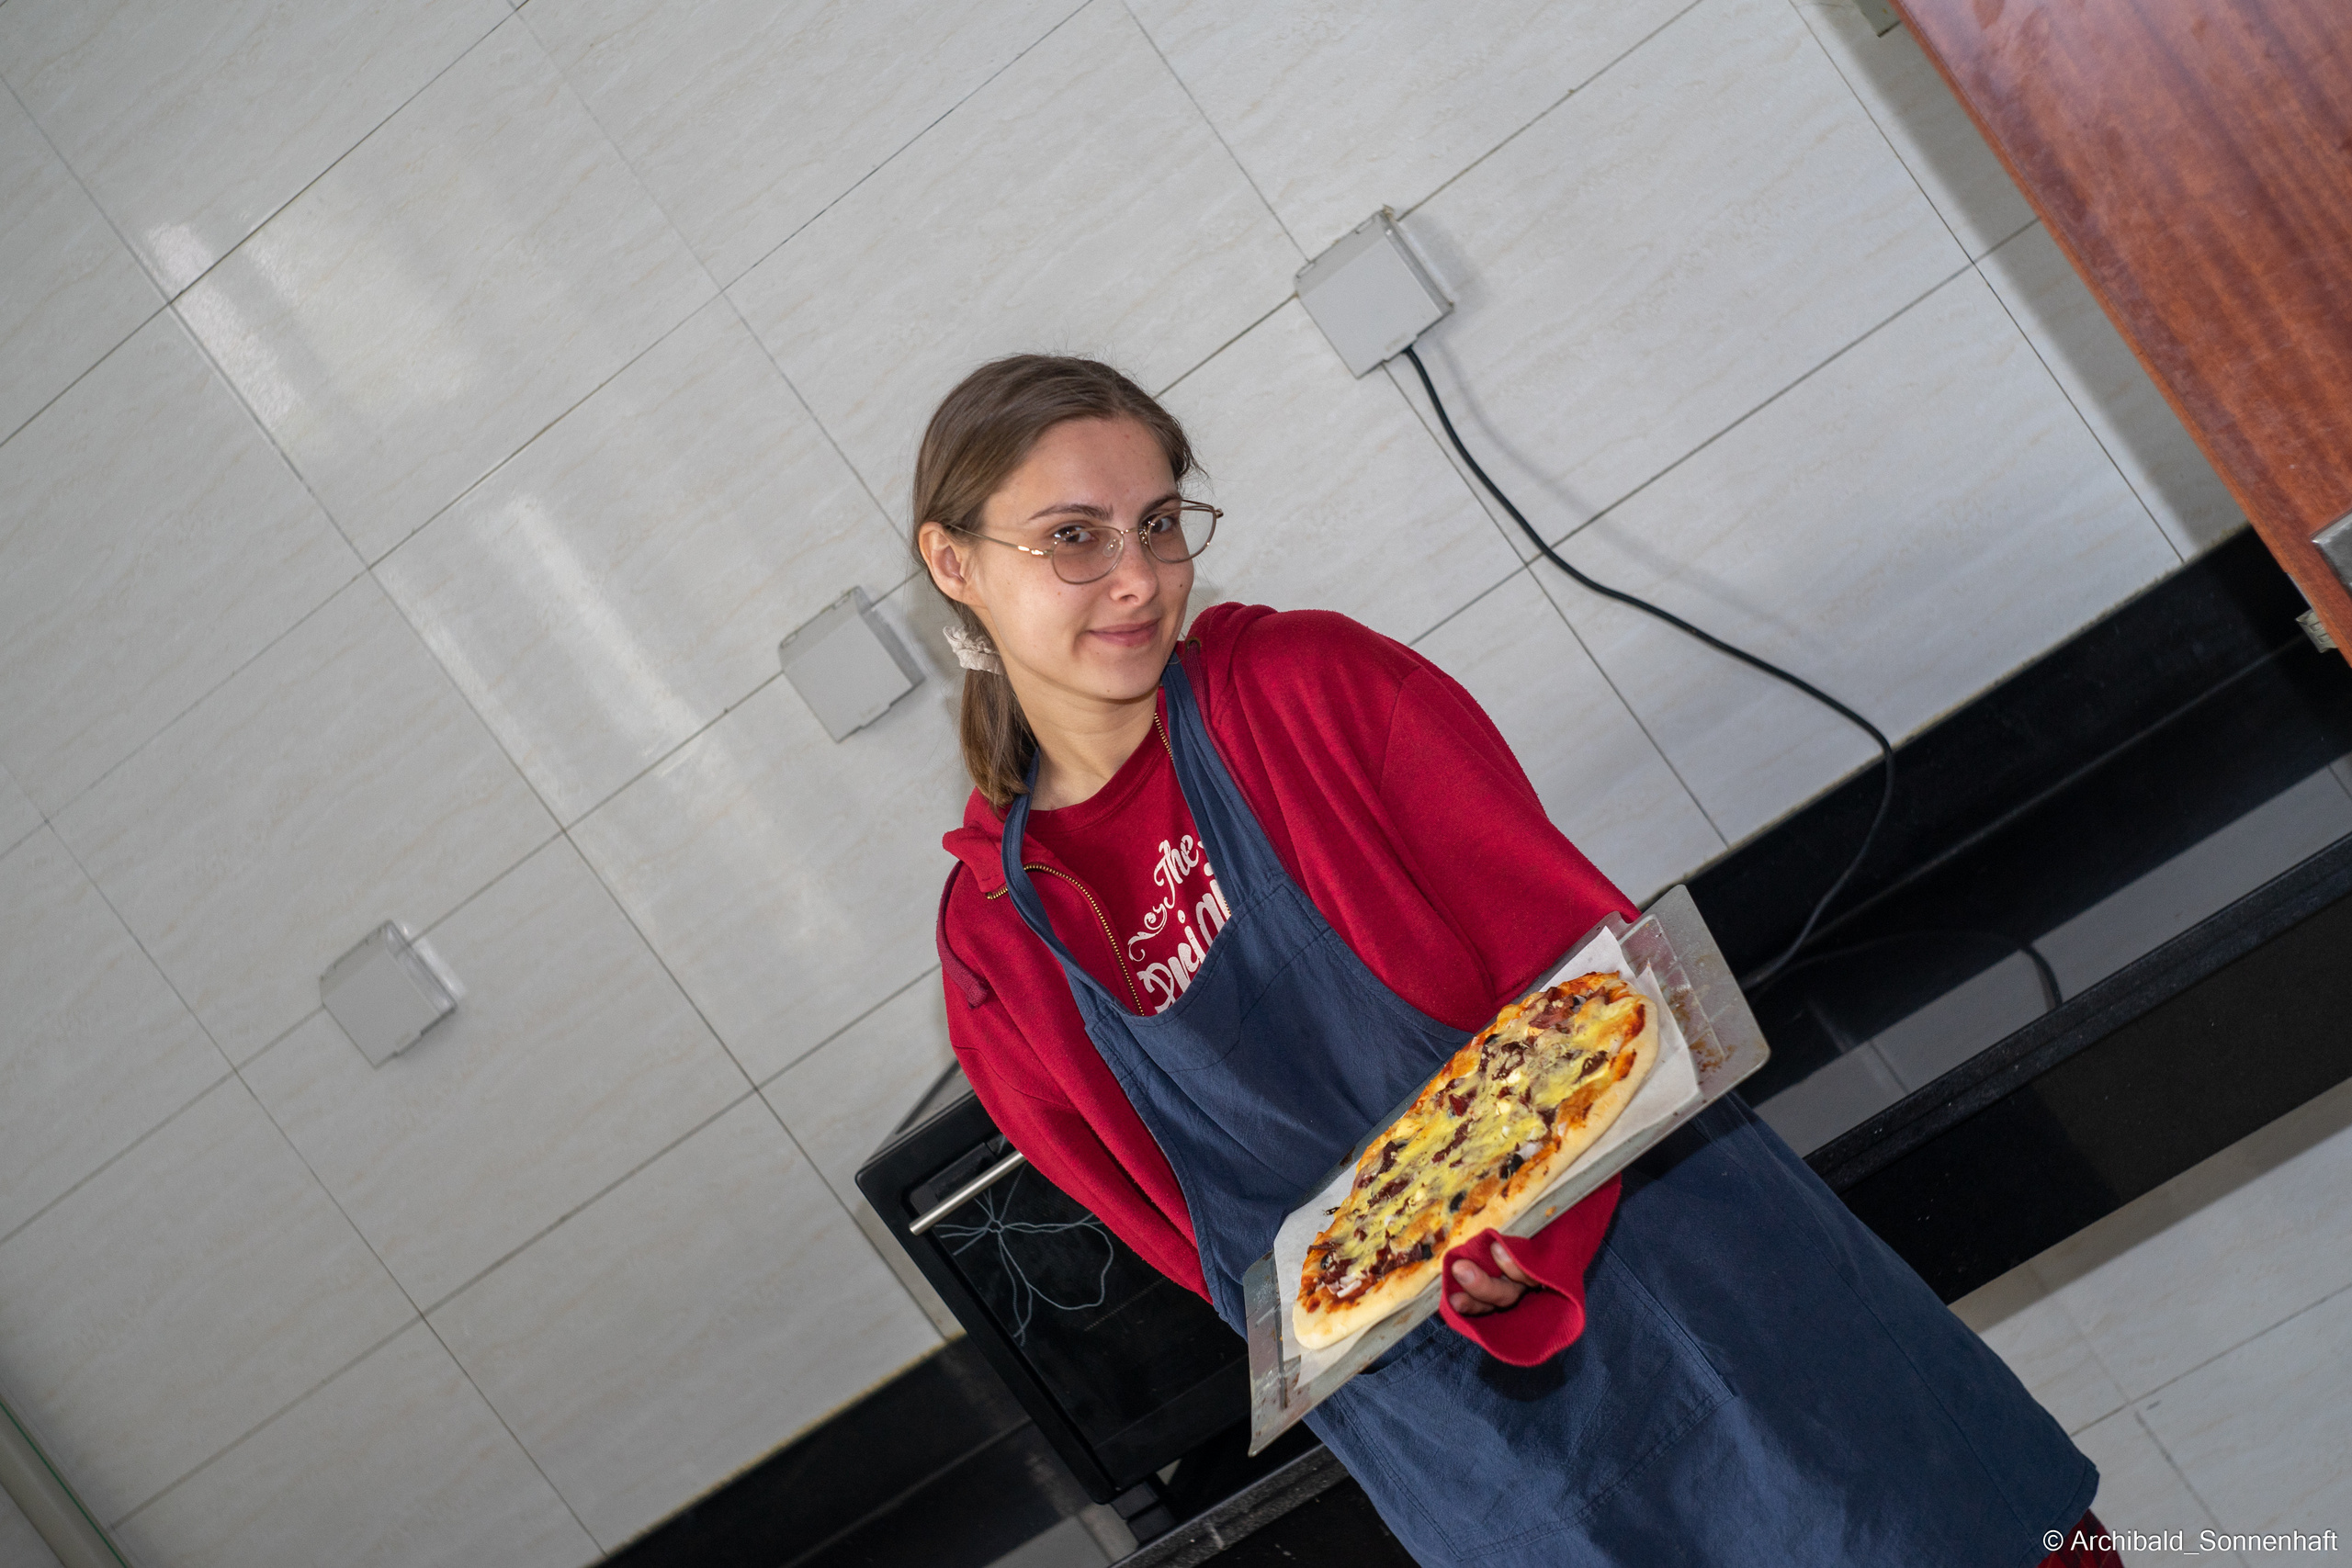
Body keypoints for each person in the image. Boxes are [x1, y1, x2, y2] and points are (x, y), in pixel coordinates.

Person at [919, 355, 2120, 1567]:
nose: (1135, 578)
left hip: (1705, 1299)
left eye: (1161, 523)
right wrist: (1396, 1295)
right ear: (954, 563)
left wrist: (1518, 1244)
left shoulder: (1309, 691)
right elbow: (1232, 1272)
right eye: (1073, 536)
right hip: (1487, 1466)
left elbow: (1598, 993)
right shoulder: (992, 959)